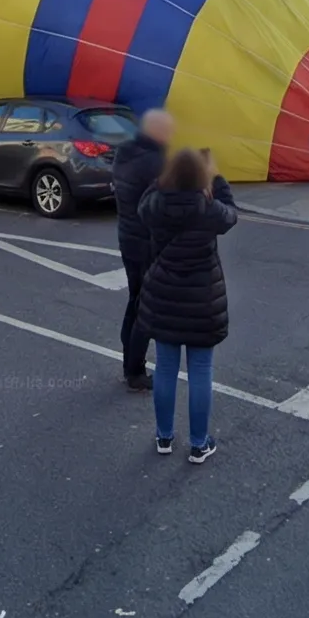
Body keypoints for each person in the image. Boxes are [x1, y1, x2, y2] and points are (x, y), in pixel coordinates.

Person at [137, 148, 237, 463]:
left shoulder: (155, 204)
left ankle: (164, 437)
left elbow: (142, 206)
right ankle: (198, 443)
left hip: (164, 297)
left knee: (165, 368)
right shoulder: (208, 209)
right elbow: (231, 214)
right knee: (201, 370)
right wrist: (216, 177)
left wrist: (160, 180)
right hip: (202, 301)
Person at [109, 109, 173, 393]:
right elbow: (167, 208)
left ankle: (130, 364)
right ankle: (135, 371)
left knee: (135, 302)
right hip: (148, 243)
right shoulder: (155, 162)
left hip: (128, 238)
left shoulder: (126, 153)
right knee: (145, 309)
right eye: (168, 129)